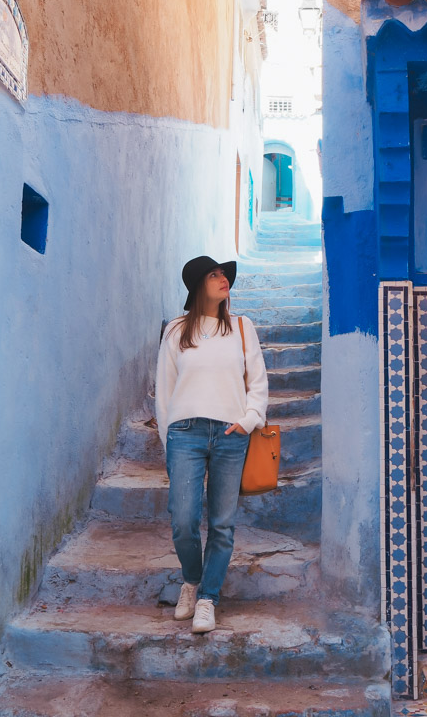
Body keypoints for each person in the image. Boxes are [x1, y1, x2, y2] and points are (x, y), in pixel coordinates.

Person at [155, 255, 268, 633]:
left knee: (222, 525)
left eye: (225, 275)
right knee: (183, 520)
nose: (224, 279)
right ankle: (192, 579)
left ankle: (208, 598)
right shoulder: (175, 330)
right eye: (215, 274)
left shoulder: (240, 326)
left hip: (230, 434)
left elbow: (258, 381)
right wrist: (167, 441)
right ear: (198, 284)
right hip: (184, 434)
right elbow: (164, 392)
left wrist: (249, 420)